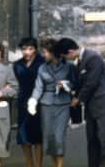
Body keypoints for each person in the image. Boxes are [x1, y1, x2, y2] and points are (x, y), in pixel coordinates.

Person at [57, 38, 105, 167]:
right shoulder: (78, 62)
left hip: (103, 105)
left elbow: (91, 83)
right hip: (90, 107)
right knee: (92, 141)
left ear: (71, 51)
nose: (67, 60)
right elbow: (80, 83)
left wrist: (78, 99)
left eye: (65, 56)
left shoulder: (93, 58)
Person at [28, 39, 77, 167]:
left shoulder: (69, 66)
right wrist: (33, 100)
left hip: (63, 105)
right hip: (46, 105)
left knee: (59, 138)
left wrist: (65, 84)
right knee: (48, 138)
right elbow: (38, 87)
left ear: (52, 52)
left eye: (45, 52)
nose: (43, 55)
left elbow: (75, 83)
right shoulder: (42, 68)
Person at [13, 38, 44, 167]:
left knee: (37, 136)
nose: (26, 52)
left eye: (30, 49)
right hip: (22, 102)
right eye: (24, 49)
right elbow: (15, 82)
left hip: (39, 102)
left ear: (35, 49)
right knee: (23, 135)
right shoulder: (17, 64)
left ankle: (38, 165)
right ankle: (29, 164)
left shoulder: (42, 62)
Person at [0, 44, 19, 166]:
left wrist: (2, 92)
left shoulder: (7, 69)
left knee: (1, 142)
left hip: (1, 110)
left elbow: (15, 88)